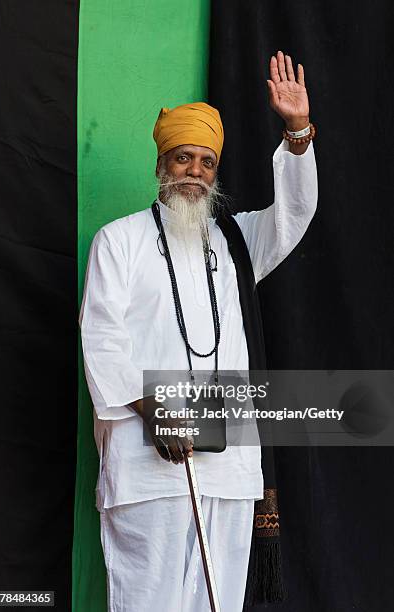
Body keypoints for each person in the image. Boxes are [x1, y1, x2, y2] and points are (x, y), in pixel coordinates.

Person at [79, 50, 318, 612]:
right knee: (148, 600)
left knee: (219, 601)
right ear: (161, 165)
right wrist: (153, 410)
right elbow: (102, 336)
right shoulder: (119, 241)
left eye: (206, 162)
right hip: (147, 466)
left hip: (230, 465)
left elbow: (296, 213)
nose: (194, 171)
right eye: (183, 158)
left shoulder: (237, 241)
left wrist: (298, 131)